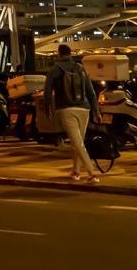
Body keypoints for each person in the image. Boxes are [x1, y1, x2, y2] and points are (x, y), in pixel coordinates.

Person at [44, 43, 102, 183]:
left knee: (77, 143)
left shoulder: (55, 69)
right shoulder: (80, 68)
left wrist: (47, 109)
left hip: (67, 109)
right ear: (70, 54)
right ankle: (76, 171)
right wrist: (96, 111)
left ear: (59, 53)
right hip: (85, 109)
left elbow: (47, 92)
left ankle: (92, 173)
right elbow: (91, 92)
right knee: (78, 142)